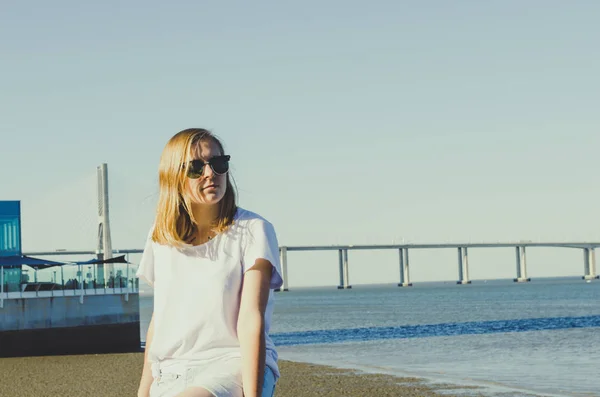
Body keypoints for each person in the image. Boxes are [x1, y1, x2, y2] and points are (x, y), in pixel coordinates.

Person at [136, 128, 283, 397]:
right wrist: (143, 390)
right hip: (171, 371)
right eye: (196, 167)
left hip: (231, 363)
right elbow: (161, 318)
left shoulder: (253, 230)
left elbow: (251, 319)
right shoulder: (161, 236)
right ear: (173, 176)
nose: (210, 173)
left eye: (218, 163)